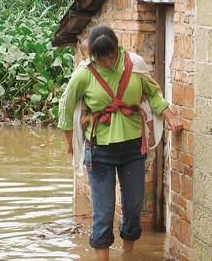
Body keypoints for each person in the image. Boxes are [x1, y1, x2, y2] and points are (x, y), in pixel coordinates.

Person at [58, 25, 182, 260]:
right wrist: (70, 144)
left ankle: (128, 255)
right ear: (93, 55)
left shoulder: (134, 66)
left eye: (111, 56)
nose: (108, 62)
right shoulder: (84, 74)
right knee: (103, 214)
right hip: (100, 151)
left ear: (118, 47)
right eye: (102, 58)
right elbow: (65, 109)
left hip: (133, 149)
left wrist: (171, 117)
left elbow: (154, 94)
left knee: (134, 210)